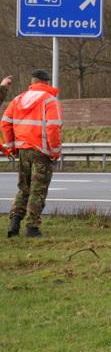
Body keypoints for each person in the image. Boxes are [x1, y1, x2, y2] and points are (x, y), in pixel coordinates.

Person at [2, 69, 62, 237]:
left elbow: (5, 124)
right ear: (47, 82)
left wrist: (11, 147)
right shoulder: (49, 100)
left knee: (24, 189)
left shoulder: (17, 99)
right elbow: (53, 127)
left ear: (32, 82)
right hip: (41, 151)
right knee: (38, 190)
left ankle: (14, 224)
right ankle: (32, 228)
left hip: (22, 150)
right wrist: (55, 151)